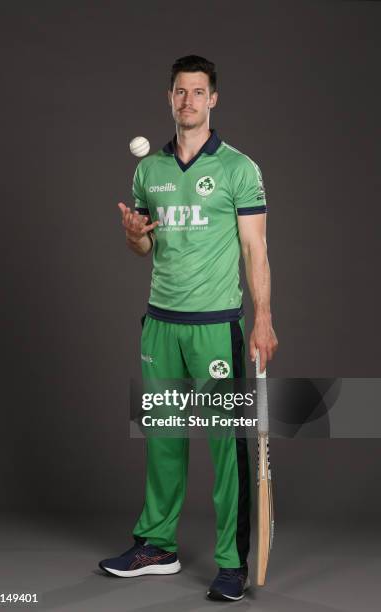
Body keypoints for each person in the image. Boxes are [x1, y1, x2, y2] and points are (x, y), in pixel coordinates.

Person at [99, 55, 278, 602]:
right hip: (161, 325)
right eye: (180, 92)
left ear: (213, 99)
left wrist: (263, 317)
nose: (188, 101)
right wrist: (133, 232)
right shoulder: (148, 169)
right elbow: (146, 247)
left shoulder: (238, 169)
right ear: (170, 97)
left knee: (226, 447)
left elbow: (256, 248)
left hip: (215, 327)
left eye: (198, 92)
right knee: (164, 440)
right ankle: (157, 545)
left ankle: (231, 564)